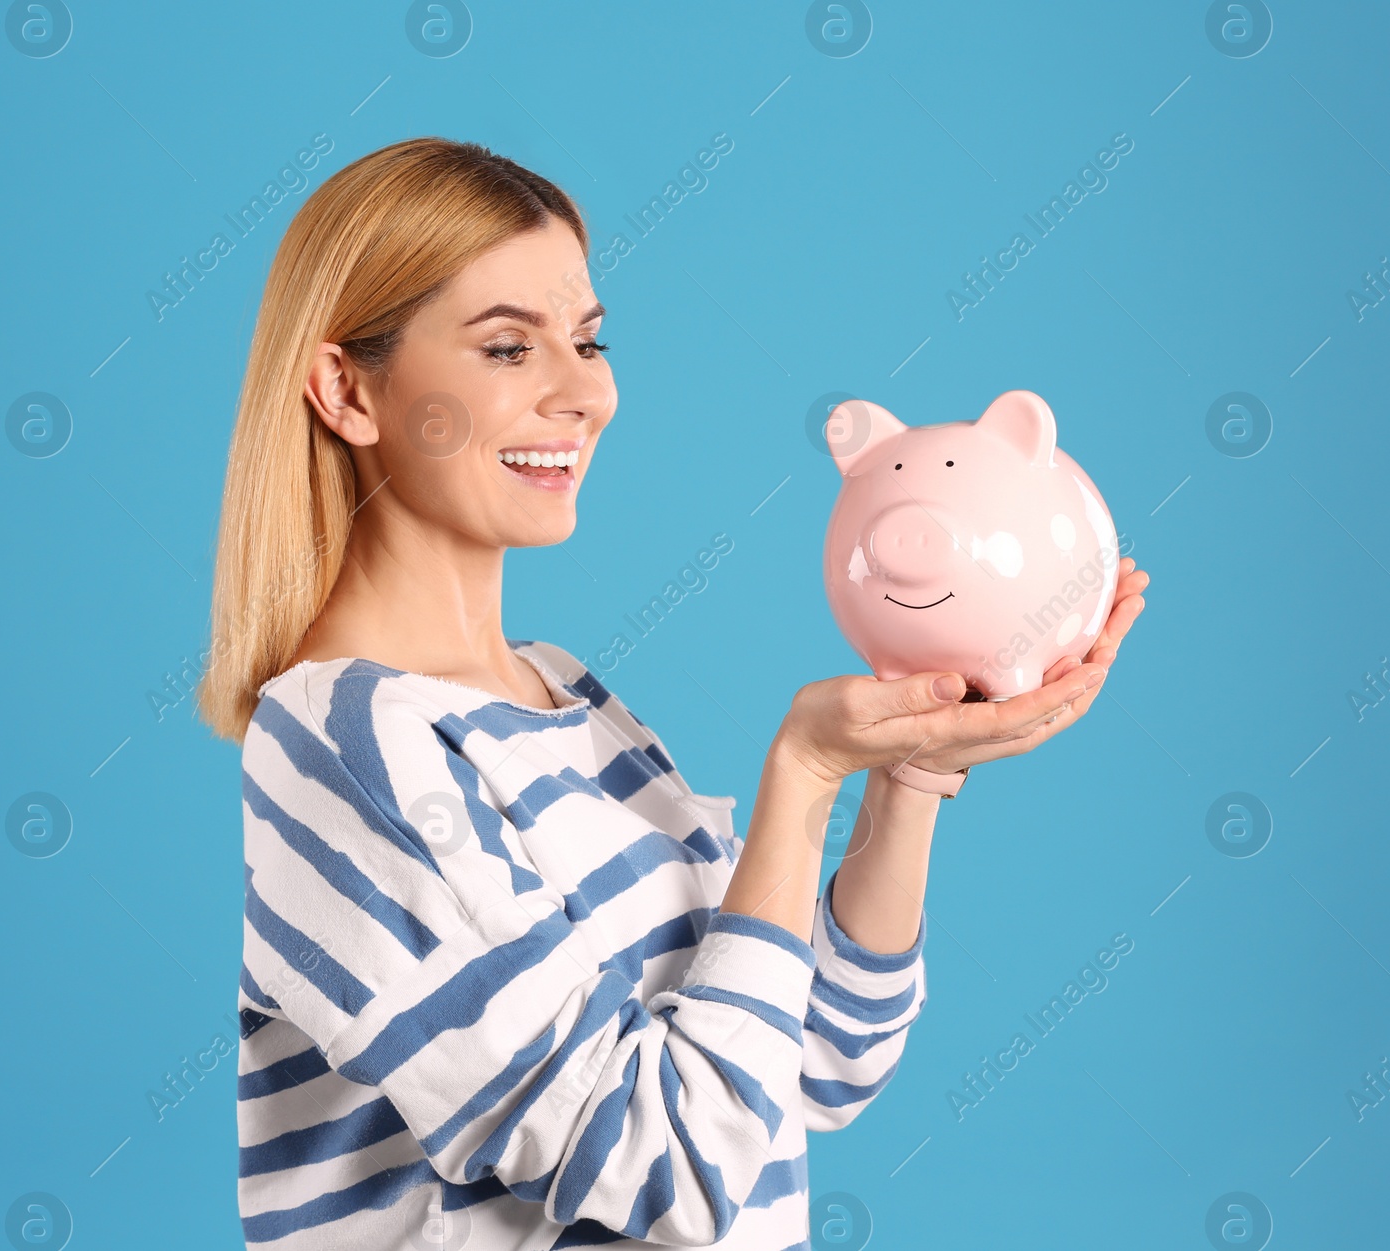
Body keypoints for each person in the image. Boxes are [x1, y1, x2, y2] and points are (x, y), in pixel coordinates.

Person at [197, 136, 1149, 1249]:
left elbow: (819, 1063)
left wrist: (911, 774)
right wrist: (799, 779)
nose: (583, 392)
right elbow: (670, 1172)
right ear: (347, 390)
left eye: (588, 340)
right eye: (508, 347)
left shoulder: (565, 696)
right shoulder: (346, 746)